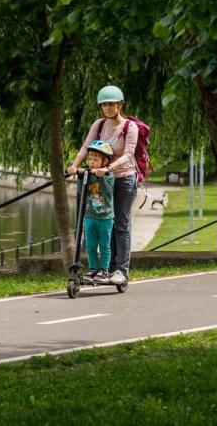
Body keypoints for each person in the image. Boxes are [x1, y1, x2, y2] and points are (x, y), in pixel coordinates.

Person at [67, 85, 139, 286]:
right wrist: (74, 165)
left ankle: (121, 270)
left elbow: (129, 154)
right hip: (100, 179)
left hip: (123, 178)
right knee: (99, 218)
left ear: (120, 105)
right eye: (104, 104)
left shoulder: (129, 128)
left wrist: (110, 168)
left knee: (120, 224)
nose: (107, 107)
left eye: (111, 104)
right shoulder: (99, 125)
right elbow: (86, 146)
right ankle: (101, 268)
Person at [79, 140, 116, 282]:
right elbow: (80, 191)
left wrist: (102, 176)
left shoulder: (109, 176)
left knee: (104, 245)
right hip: (89, 216)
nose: (92, 162)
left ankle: (104, 270)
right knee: (91, 245)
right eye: (90, 159)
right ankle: (93, 268)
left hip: (105, 217)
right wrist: (80, 175)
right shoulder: (87, 174)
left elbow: (107, 191)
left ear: (104, 161)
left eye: (96, 159)